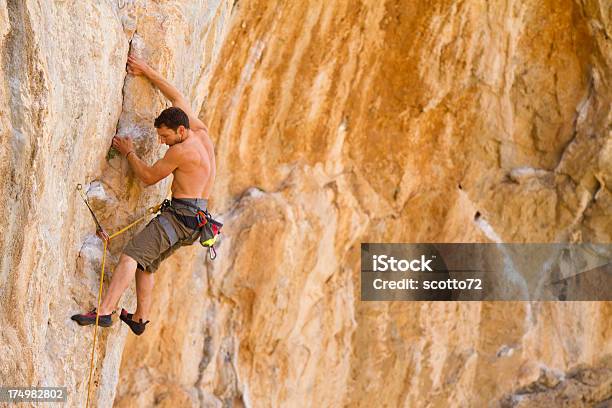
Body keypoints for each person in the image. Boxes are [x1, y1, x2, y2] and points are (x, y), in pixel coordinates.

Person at [71, 55, 216, 335]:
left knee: (131, 255)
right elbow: (175, 94)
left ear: (180, 131)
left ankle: (104, 312)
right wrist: (146, 70)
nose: (161, 142)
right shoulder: (200, 131)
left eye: (165, 137)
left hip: (180, 218)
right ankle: (140, 318)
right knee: (147, 263)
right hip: (195, 220)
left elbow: (149, 178)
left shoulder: (181, 151)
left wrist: (129, 153)